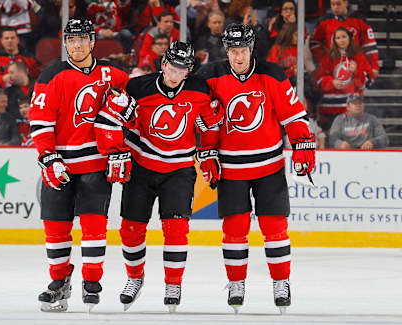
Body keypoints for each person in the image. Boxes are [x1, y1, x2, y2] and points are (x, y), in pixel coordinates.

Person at [93, 40, 223, 313]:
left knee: (176, 231)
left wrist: (208, 152)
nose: (175, 74)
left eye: (181, 69)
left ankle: (173, 283)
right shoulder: (138, 88)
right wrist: (116, 151)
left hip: (179, 170)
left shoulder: (199, 90)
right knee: (130, 229)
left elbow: (208, 125)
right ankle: (134, 278)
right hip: (142, 167)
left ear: (188, 71)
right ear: (163, 64)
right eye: (171, 67)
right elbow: (110, 120)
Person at [197, 23, 315, 314]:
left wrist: (303, 144)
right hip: (231, 169)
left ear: (252, 49)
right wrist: (207, 152)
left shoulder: (272, 74)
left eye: (244, 50)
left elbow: (294, 114)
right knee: (234, 230)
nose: (239, 56)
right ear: (227, 50)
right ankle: (236, 283)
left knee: (275, 228)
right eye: (234, 50)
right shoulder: (210, 75)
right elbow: (201, 117)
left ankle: (281, 282)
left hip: (268, 167)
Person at [29, 18, 128, 312]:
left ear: (92, 41)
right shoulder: (52, 74)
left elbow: (135, 99)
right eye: (72, 40)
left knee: (94, 227)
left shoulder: (112, 73)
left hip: (95, 164)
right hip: (60, 163)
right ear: (66, 44)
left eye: (83, 39)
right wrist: (48, 157)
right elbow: (40, 122)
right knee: (55, 228)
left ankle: (91, 282)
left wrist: (128, 111)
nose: (77, 45)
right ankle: (59, 281)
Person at [313, 26, 373, 131]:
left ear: (350, 38)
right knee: (333, 141)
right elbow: (318, 80)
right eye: (338, 38)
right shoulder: (328, 57)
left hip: (352, 108)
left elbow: (366, 82)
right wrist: (332, 82)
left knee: (351, 141)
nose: (341, 40)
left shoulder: (358, 56)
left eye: (344, 37)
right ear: (334, 40)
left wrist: (356, 71)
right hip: (330, 108)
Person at [310, 0, 379, 79]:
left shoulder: (359, 20)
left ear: (346, 3)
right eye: (333, 4)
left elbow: (370, 45)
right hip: (331, 65)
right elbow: (314, 43)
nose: (335, 7)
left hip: (355, 64)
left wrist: (374, 66)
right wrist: (322, 59)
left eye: (338, 4)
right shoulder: (324, 21)